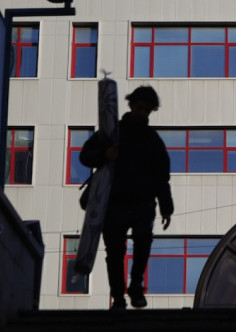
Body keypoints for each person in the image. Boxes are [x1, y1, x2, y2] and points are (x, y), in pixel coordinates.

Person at [81, 85, 173, 310]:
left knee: (142, 241)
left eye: (147, 109)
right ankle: (119, 296)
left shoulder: (151, 139)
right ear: (131, 105)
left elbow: (162, 176)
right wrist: (105, 154)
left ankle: (135, 286)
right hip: (113, 202)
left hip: (141, 202)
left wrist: (166, 207)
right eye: (140, 107)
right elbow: (85, 155)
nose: (143, 113)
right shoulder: (112, 133)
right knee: (115, 252)